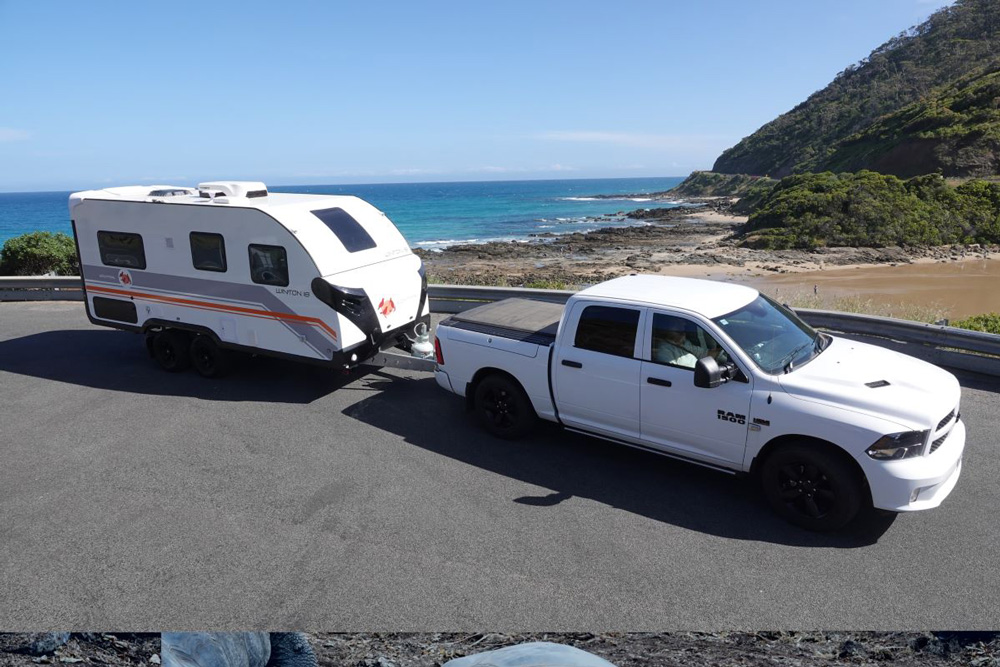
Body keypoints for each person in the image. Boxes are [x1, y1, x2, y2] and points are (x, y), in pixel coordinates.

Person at [653, 320, 721, 368]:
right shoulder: (664, 350)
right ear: (670, 325)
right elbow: (673, 373)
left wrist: (723, 352)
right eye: (679, 321)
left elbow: (703, 353)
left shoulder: (684, 342)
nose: (684, 323)